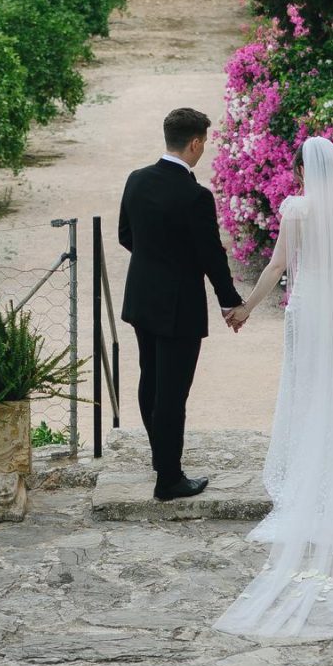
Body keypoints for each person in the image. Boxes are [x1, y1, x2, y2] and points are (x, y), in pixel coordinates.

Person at [214, 134, 333, 642]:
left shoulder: (295, 208)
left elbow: (277, 266)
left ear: (304, 172)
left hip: (307, 309)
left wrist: (246, 307)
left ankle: (311, 481)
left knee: (307, 392)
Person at [118, 107, 243, 502]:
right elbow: (211, 255)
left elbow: (126, 235)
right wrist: (230, 301)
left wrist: (156, 262)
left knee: (150, 379)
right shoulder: (195, 196)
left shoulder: (136, 180)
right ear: (194, 143)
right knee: (173, 392)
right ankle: (168, 478)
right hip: (178, 306)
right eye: (203, 142)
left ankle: (161, 458)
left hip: (142, 297)